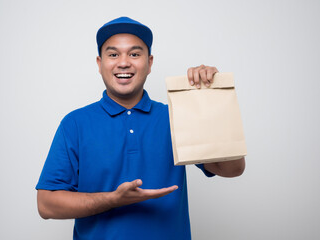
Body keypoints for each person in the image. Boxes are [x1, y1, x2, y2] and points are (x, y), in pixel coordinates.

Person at [36, 16, 245, 240]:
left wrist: (209, 99)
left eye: (135, 54)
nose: (124, 62)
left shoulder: (175, 116)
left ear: (150, 63)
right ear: (100, 63)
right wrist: (112, 200)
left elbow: (233, 168)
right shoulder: (75, 123)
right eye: (113, 54)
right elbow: (46, 205)